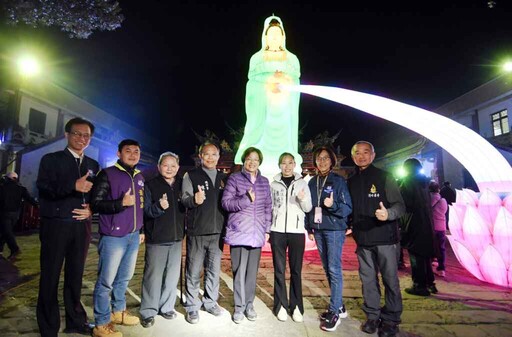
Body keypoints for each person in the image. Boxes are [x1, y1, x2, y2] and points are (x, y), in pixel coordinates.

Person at [36, 117, 100, 337]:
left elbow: (96, 195)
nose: (82, 138)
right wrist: (73, 185)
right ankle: (48, 327)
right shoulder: (51, 160)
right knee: (50, 276)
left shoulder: (93, 165)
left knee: (76, 275)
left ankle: (75, 320)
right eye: (77, 134)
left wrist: (92, 209)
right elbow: (43, 188)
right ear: (66, 135)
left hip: (81, 228)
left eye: (86, 135)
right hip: (55, 225)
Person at [348, 141, 405, 337]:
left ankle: (391, 319)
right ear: (353, 156)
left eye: (365, 152)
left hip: (385, 239)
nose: (361, 156)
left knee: (390, 280)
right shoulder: (352, 180)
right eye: (357, 153)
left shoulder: (384, 177)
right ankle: (372, 316)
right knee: (368, 281)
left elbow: (400, 205)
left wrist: (388, 213)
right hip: (363, 240)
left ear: (373, 155)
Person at [90, 139, 144, 337]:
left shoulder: (139, 176)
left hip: (133, 235)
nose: (132, 154)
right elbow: (95, 203)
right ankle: (101, 323)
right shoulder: (107, 174)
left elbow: (140, 205)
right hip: (113, 236)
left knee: (124, 278)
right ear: (119, 153)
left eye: (136, 151)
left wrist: (142, 229)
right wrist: (120, 203)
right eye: (128, 151)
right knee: (106, 281)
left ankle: (118, 312)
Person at [235, 15, 302, 175]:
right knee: (257, 132)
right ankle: (256, 161)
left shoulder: (291, 58)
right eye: (271, 34)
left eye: (277, 34)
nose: (274, 37)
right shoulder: (257, 58)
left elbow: (296, 79)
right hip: (263, 108)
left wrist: (285, 81)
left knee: (286, 137)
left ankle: (286, 163)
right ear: (265, 36)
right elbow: (252, 81)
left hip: (283, 108)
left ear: (282, 36)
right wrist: (270, 80)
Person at [221, 147, 272, 324]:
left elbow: (267, 207)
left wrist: (267, 230)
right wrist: (245, 199)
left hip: (257, 234)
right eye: (249, 159)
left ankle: (249, 305)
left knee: (252, 273)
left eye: (256, 159)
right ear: (244, 160)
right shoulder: (234, 179)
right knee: (239, 271)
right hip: (238, 232)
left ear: (260, 162)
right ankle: (239, 307)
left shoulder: (265, 182)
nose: (252, 162)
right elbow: (226, 203)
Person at [305, 146, 352, 332]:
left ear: (332, 160)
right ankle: (339, 305)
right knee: (327, 267)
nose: (322, 161)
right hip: (318, 229)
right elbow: (309, 207)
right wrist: (309, 227)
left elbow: (347, 207)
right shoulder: (312, 182)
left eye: (325, 158)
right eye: (319, 158)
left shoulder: (338, 181)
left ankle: (334, 312)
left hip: (334, 229)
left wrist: (332, 206)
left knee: (334, 268)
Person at [181, 141, 227, 324]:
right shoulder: (191, 176)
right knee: (193, 270)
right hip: (197, 231)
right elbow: (184, 199)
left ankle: (210, 302)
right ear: (200, 156)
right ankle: (192, 306)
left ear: (218, 157)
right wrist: (194, 199)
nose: (210, 157)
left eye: (214, 154)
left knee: (214, 271)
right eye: (206, 154)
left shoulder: (224, 177)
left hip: (217, 233)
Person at [139, 152, 186, 328]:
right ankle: (148, 311)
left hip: (176, 238)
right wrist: (159, 207)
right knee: (153, 277)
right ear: (159, 167)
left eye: (173, 165)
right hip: (157, 239)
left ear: (178, 167)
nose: (169, 168)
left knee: (172, 276)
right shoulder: (150, 185)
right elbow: (146, 211)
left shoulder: (182, 184)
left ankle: (167, 307)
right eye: (166, 165)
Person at [270, 152, 312, 322]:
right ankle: (280, 305)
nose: (286, 166)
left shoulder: (302, 183)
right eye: (283, 163)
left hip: (296, 232)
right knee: (279, 270)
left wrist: (302, 200)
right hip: (277, 231)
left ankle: (296, 307)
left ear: (295, 165)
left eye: (290, 163)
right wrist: (268, 229)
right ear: (279, 165)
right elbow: (269, 207)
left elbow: (308, 208)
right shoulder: (273, 184)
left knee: (296, 271)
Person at [399, 158, 437, 297]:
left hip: (414, 223)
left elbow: (404, 204)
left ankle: (419, 285)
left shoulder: (409, 182)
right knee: (425, 255)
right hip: (427, 223)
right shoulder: (424, 183)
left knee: (416, 255)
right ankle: (430, 282)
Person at [0, 171, 38, 259]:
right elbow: (29, 199)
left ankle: (15, 249)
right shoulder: (21, 188)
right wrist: (37, 205)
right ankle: (0, 249)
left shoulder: (2, 188)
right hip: (16, 214)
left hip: (4, 213)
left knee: (6, 232)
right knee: (6, 231)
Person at [429, 181, 448, 278]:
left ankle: (432, 264)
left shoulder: (429, 199)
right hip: (442, 226)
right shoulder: (443, 200)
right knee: (441, 248)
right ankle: (442, 268)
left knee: (432, 246)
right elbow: (444, 212)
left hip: (433, 227)